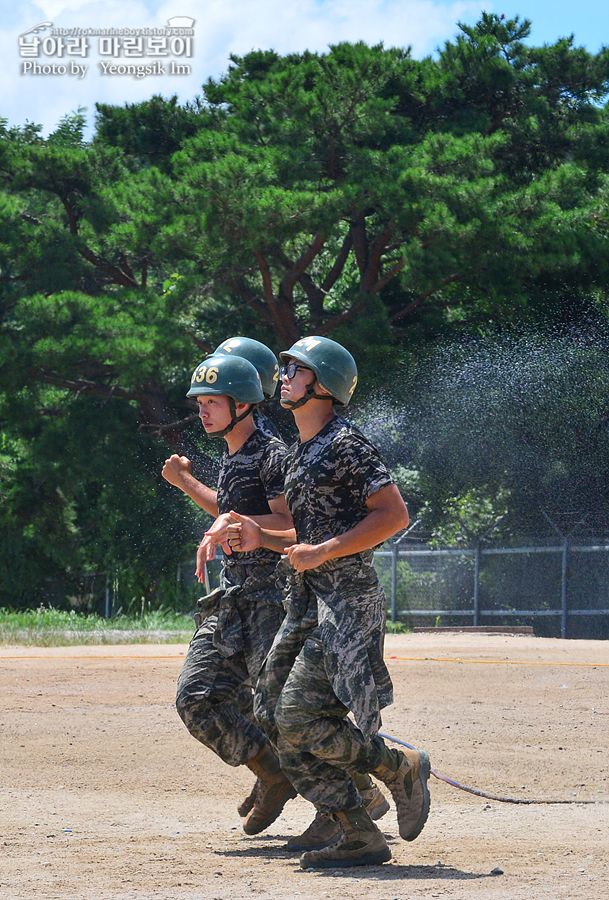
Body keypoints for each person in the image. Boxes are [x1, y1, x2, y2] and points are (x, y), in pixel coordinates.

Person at [225, 336, 431, 869]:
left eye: (296, 368)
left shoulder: (346, 444)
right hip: (307, 601)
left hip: (345, 603)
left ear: (323, 383)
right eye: (286, 367)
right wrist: (261, 536)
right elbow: (305, 532)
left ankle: (397, 765)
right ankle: (357, 831)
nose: (284, 374)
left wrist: (327, 551)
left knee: (297, 715)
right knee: (269, 711)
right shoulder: (300, 452)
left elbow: (393, 514)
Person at [163, 351, 296, 836]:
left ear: (242, 404)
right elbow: (227, 510)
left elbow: (292, 524)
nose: (202, 411)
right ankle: (273, 774)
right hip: (235, 598)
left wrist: (236, 523)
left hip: (272, 601)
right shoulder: (233, 455)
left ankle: (356, 796)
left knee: (283, 711)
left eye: (212, 402)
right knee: (199, 697)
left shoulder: (272, 454)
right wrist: (186, 483)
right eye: (199, 402)